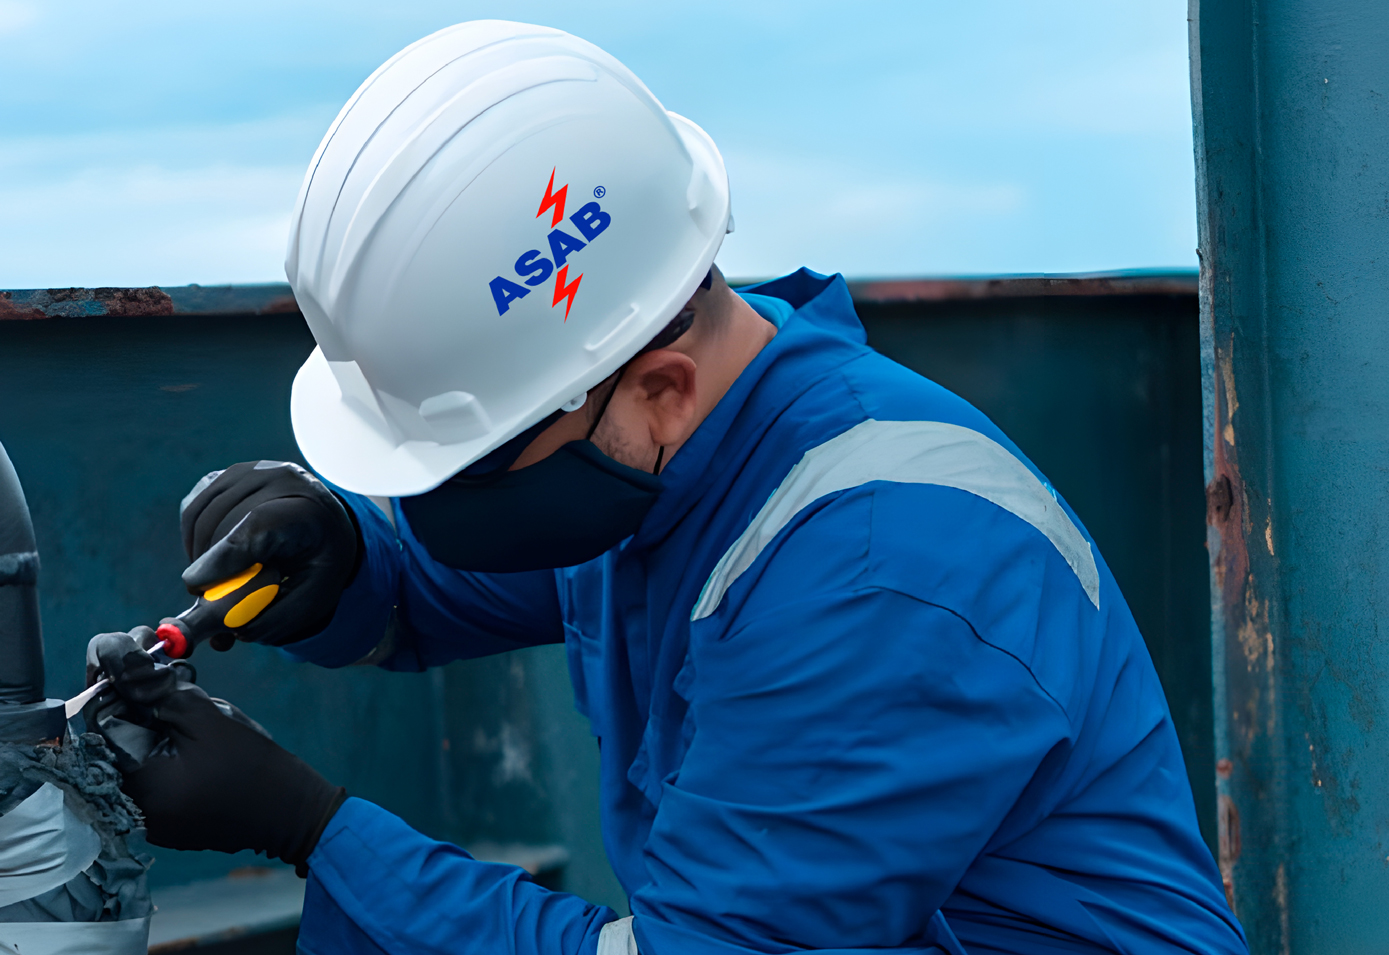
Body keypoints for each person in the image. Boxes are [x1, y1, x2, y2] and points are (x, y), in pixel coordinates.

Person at [86, 20, 1248, 955]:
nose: (445, 499)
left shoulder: (885, 575)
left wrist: (309, 827)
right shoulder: (677, 456)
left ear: (664, 385)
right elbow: (477, 563)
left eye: (468, 463)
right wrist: (342, 563)